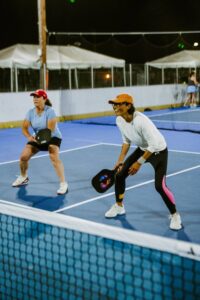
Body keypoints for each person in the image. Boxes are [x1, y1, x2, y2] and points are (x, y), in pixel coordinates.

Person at [105, 93, 182, 230]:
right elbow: (126, 141)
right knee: (120, 174)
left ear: (128, 105)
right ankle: (119, 206)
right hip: (142, 148)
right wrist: (120, 160)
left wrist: (139, 163)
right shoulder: (119, 120)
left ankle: (175, 215)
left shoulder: (141, 121)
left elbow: (152, 145)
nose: (115, 107)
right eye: (114, 104)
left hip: (158, 151)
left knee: (160, 186)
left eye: (118, 104)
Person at [12, 89, 68, 195]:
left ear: (44, 99)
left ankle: (63, 183)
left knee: (54, 158)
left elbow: (49, 130)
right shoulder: (30, 112)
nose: (35, 99)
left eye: (38, 97)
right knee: (23, 157)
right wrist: (29, 137)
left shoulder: (50, 111)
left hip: (53, 136)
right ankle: (23, 177)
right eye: (34, 97)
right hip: (37, 137)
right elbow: (24, 127)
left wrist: (39, 140)